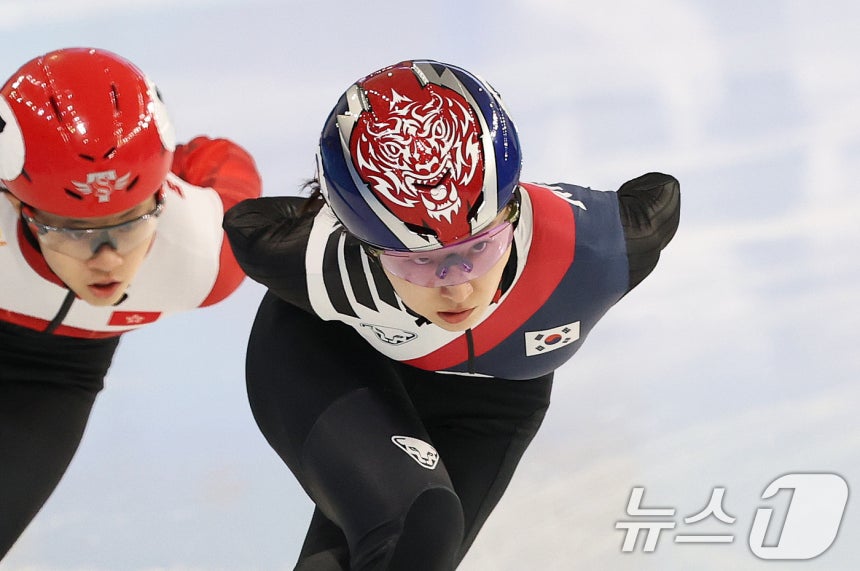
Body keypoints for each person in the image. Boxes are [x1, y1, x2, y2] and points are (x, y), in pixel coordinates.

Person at [224, 60, 680, 570]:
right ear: (368, 247)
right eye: (420, 262)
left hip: (491, 402)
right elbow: (247, 225)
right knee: (421, 521)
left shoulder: (594, 251)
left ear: (510, 214)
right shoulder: (327, 266)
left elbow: (659, 199)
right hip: (336, 351)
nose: (459, 286)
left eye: (480, 248)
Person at [0, 47, 262, 559]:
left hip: (56, 379)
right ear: (15, 203)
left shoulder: (203, 256)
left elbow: (223, 157)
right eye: (71, 230)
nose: (107, 260)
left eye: (130, 223)